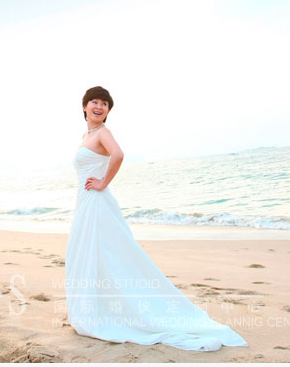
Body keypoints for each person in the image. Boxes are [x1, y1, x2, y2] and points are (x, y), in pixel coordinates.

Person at [65, 86, 250, 352]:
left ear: (108, 111)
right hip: (86, 202)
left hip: (97, 202)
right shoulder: (87, 135)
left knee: (108, 255)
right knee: (92, 254)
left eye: (104, 104)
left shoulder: (103, 132)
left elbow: (118, 155)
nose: (99, 106)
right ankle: (94, 308)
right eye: (94, 102)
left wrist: (103, 182)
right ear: (84, 106)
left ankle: (109, 312)